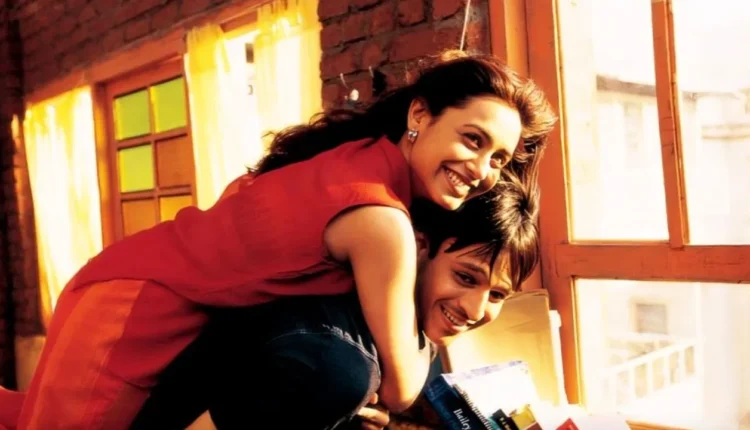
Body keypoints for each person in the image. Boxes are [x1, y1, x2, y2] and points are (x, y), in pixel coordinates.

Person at [1, 50, 556, 430]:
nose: (482, 169)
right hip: (134, 310)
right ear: (420, 114)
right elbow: (403, 389)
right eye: (473, 139)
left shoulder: (368, 165)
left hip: (172, 303)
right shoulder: (381, 220)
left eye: (499, 159)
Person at [130, 176, 541, 430]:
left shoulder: (411, 334)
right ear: (418, 247)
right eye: (465, 278)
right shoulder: (332, 359)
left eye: (497, 295)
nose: (475, 309)